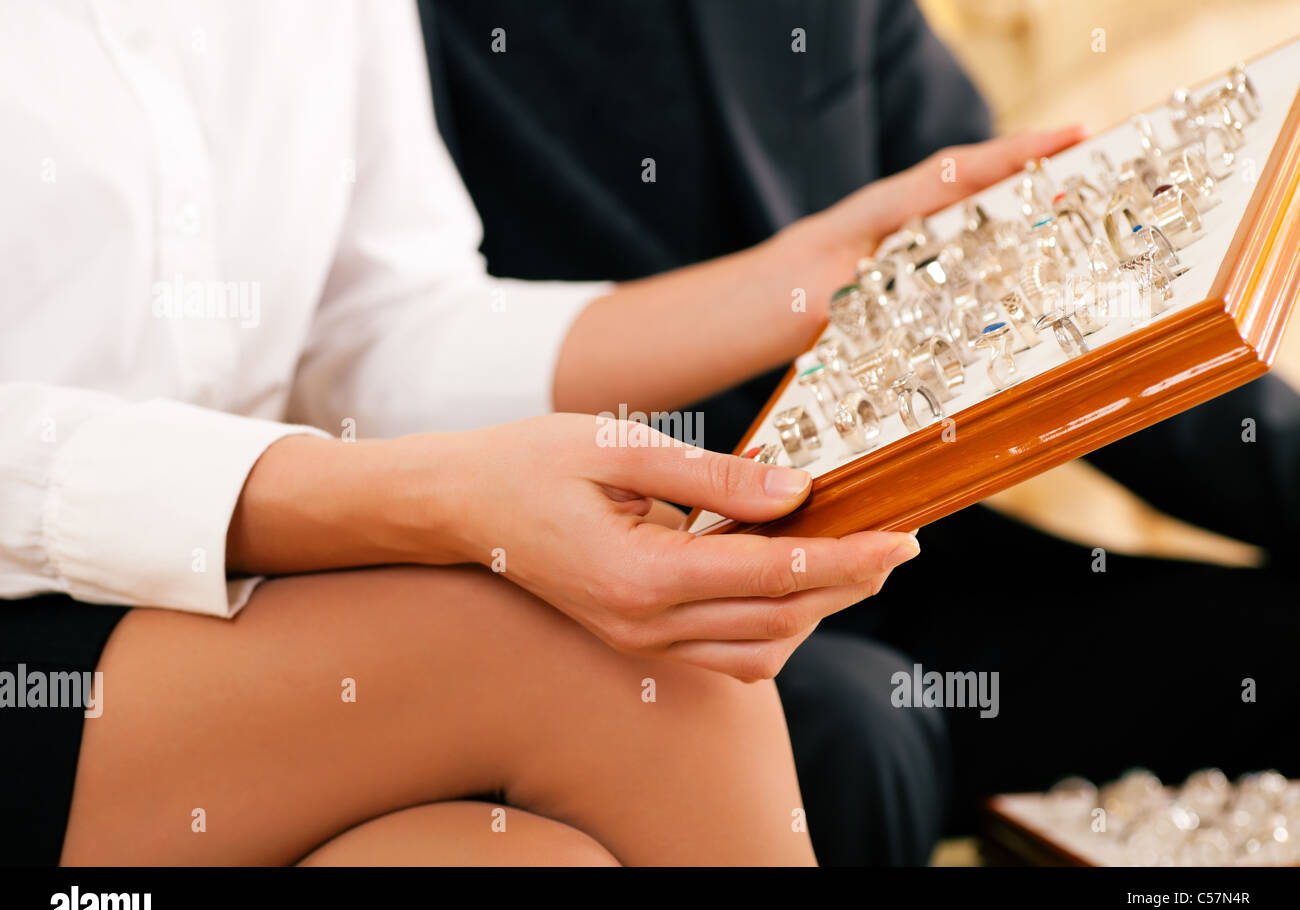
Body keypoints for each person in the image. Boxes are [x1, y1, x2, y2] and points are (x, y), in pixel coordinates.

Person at [0, 0, 1076, 865]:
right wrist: (430, 501)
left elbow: (375, 329)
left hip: (211, 632)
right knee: (631, 670)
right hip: (59, 635)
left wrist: (793, 286)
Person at [420, 0, 1300, 838]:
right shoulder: (392, 32)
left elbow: (1044, 294)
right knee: (856, 723)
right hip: (611, 609)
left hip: (920, 576)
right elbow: (386, 347)